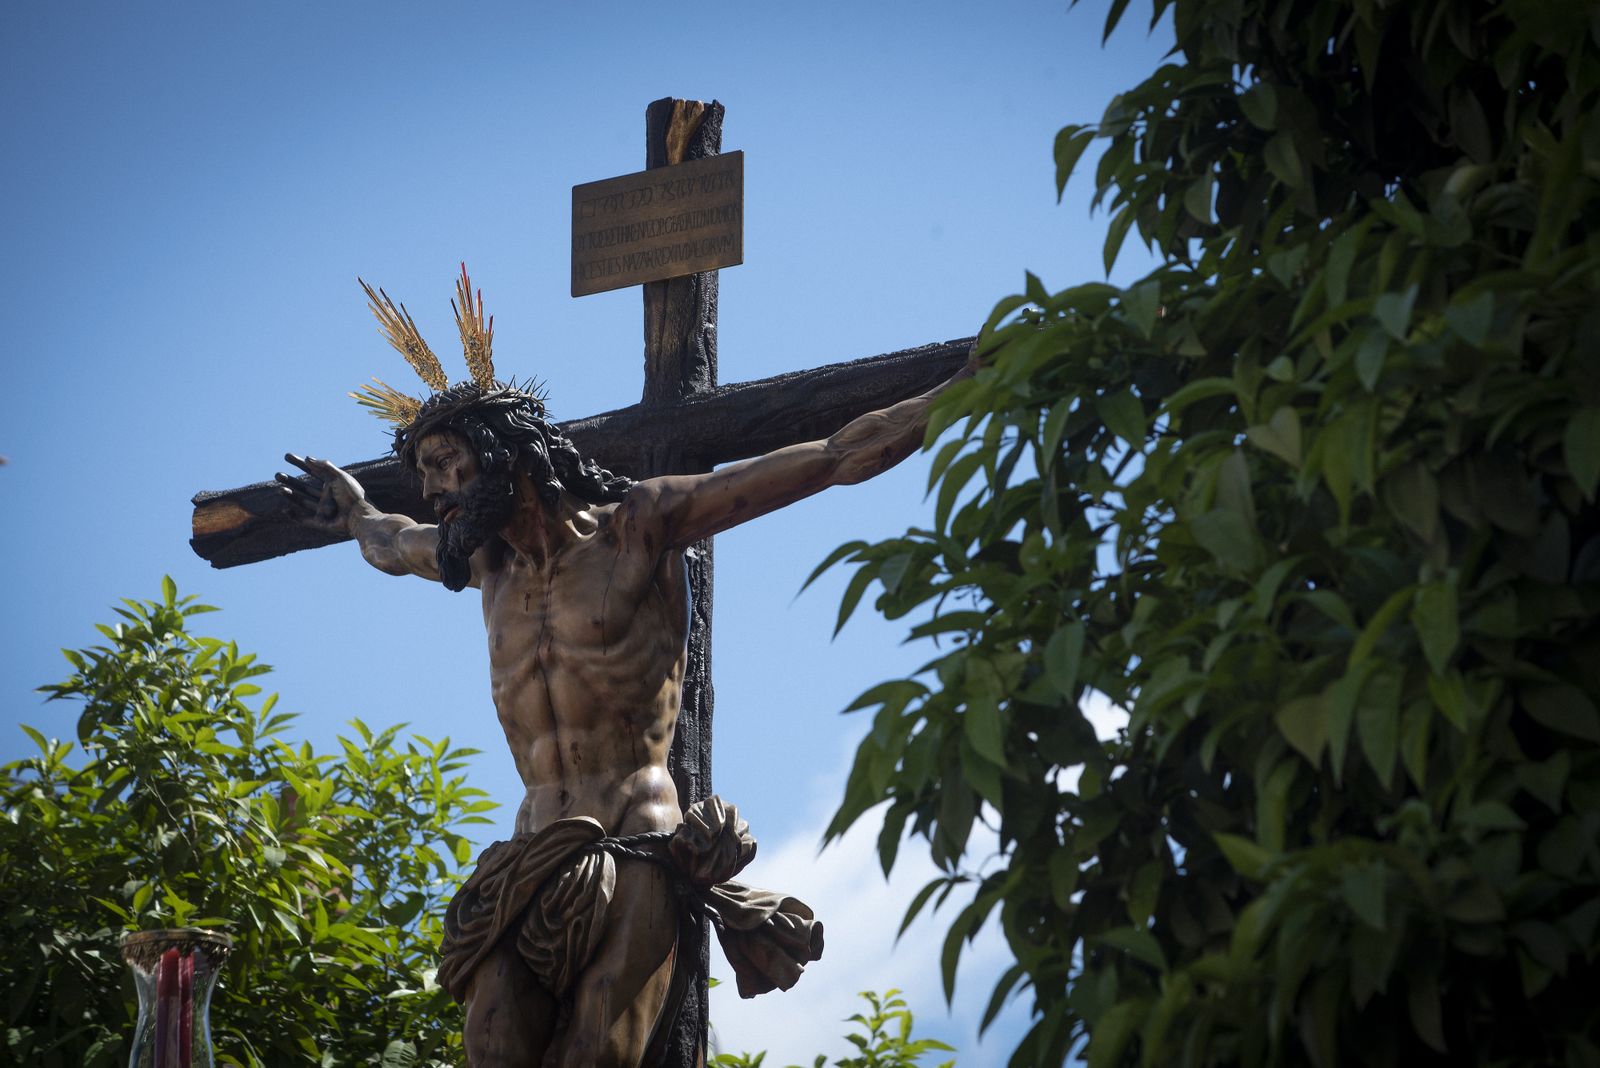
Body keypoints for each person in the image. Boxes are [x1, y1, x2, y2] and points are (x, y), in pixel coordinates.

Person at [278, 275, 972, 1068]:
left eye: (444, 463)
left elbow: (833, 457)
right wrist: (353, 508)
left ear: (503, 453)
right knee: (489, 1046)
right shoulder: (484, 567)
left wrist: (960, 391)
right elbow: (384, 541)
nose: (432, 490)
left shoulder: (636, 531)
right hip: (527, 856)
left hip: (636, 846)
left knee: (595, 1054)